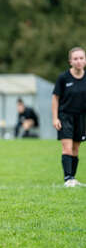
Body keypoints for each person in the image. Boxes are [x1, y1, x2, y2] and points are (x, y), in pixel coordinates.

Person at [52, 46, 86, 187]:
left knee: (76, 149)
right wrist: (55, 118)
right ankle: (68, 179)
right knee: (67, 148)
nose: (78, 61)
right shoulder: (63, 78)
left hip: (82, 118)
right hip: (65, 116)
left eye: (81, 58)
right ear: (70, 61)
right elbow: (55, 98)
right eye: (75, 58)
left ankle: (73, 178)